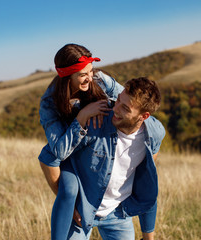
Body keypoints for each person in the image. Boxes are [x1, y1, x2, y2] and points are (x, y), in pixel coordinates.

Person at [40, 77, 165, 240]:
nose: (116, 109)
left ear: (144, 116)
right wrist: (67, 201)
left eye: (125, 108)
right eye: (118, 100)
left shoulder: (155, 133)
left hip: (119, 214)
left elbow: (146, 179)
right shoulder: (95, 121)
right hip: (82, 212)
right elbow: (48, 157)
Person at [38, 43, 124, 240]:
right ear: (68, 75)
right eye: (83, 74)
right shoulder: (49, 103)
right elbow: (59, 151)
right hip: (73, 161)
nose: (90, 77)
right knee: (69, 190)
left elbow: (128, 103)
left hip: (102, 152)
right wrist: (82, 118)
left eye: (91, 71)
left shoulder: (101, 80)